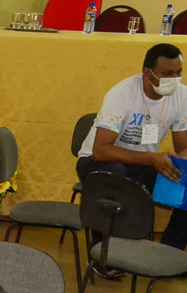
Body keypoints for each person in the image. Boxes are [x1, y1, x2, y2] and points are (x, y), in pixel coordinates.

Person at [76, 43, 187, 253]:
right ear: (148, 73)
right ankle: (102, 253)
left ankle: (170, 254)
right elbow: (101, 151)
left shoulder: (182, 96)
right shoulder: (122, 93)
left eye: (179, 72)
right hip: (95, 164)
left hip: (142, 165)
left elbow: (184, 148)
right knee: (116, 172)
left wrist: (180, 162)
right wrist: (152, 159)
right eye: (167, 73)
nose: (174, 79)